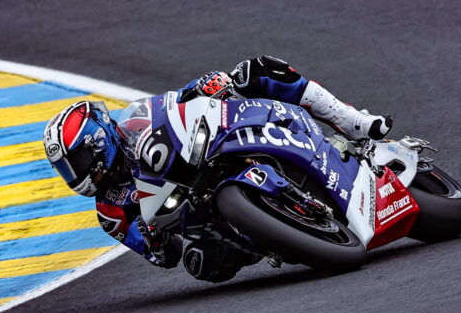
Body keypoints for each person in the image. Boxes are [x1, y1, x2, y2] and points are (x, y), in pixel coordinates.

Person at [41, 56, 391, 283]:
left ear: (97, 141)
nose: (76, 173)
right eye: (67, 169)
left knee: (255, 70)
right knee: (202, 264)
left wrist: (205, 86)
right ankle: (279, 234)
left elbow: (174, 103)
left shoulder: (136, 122)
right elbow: (163, 256)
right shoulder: (109, 211)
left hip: (214, 149)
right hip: (197, 213)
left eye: (77, 162)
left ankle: (355, 121)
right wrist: (153, 241)